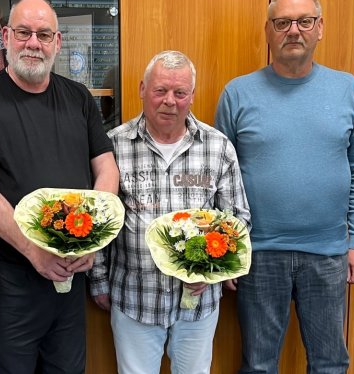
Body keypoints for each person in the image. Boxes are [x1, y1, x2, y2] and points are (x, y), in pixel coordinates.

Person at [0, 0, 120, 373]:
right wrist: (33, 250)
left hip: (70, 278)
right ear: (7, 37)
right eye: (24, 33)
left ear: (57, 42)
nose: (33, 43)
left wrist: (94, 238)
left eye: (44, 35)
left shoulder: (79, 98)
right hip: (11, 279)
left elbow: (107, 171)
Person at [215, 0, 354, 373]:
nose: (293, 31)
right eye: (282, 23)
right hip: (258, 254)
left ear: (320, 29)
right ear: (268, 32)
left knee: (330, 362)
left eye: (304, 21)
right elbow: (218, 180)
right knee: (258, 364)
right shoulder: (237, 93)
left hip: (330, 253)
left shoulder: (347, 89)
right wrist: (226, 253)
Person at [89, 50, 251, 374]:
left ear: (192, 95)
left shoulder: (218, 147)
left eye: (180, 93)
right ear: (142, 89)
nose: (169, 101)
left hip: (199, 304)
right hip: (135, 298)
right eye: (160, 90)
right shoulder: (113, 146)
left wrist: (213, 270)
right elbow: (99, 220)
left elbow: (238, 219)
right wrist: (98, 281)